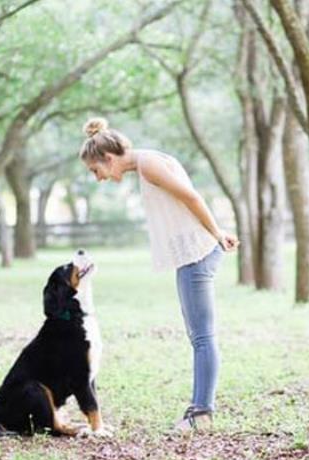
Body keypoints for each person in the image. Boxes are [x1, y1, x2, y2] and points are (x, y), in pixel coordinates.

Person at [78, 117, 239, 432]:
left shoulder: (149, 164)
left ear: (108, 159)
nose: (99, 178)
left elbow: (191, 197)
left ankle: (201, 414)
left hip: (198, 254)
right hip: (193, 254)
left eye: (96, 171)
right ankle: (198, 411)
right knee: (199, 336)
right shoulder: (149, 161)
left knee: (203, 337)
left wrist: (218, 234)